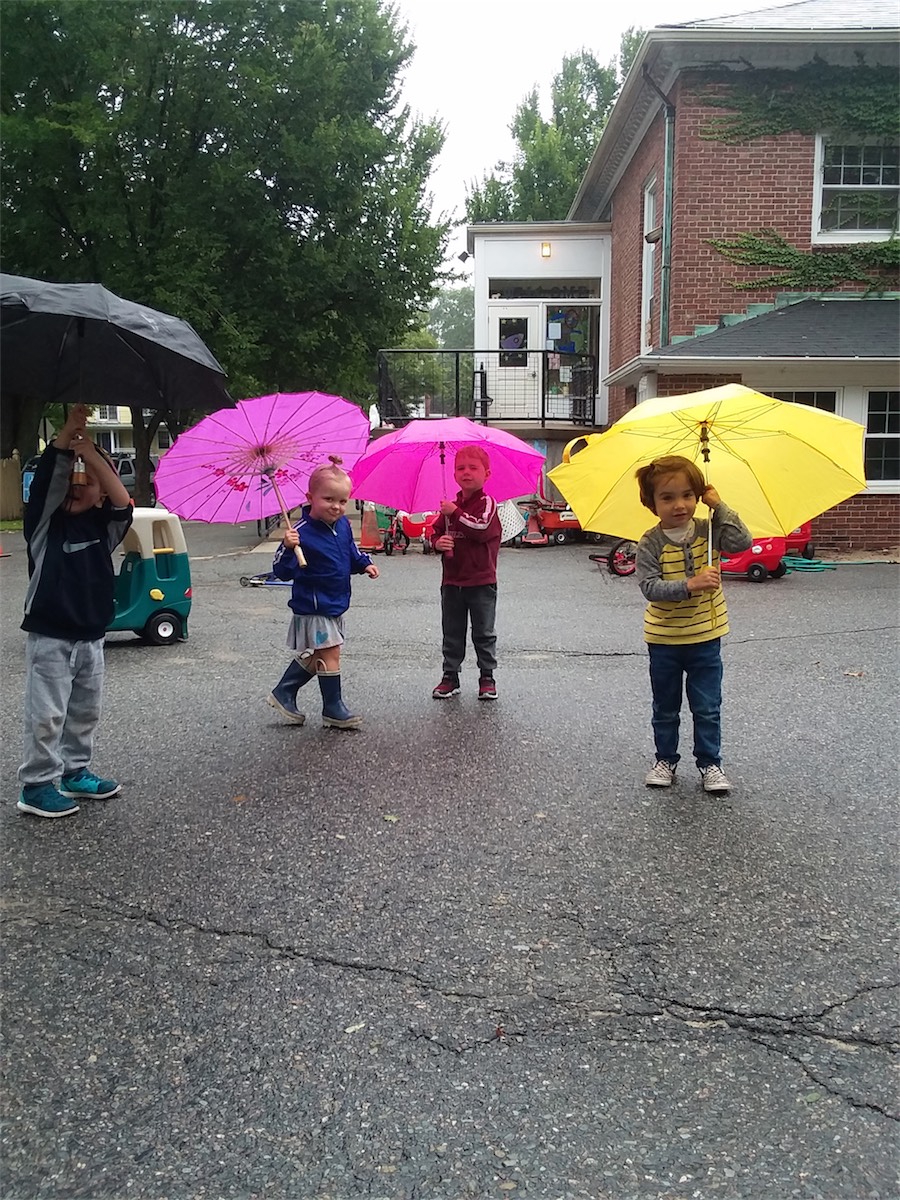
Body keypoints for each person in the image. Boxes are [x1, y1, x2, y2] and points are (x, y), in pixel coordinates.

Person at [17, 404, 133, 818]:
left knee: (84, 711)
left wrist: (93, 456)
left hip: (91, 636)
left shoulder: (105, 528)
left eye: (84, 482)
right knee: (47, 714)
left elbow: (122, 502)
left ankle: (75, 771)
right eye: (69, 479)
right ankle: (36, 784)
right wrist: (67, 437)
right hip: (50, 635)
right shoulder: (44, 527)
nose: (73, 485)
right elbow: (47, 483)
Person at [634, 454, 752, 794]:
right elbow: (650, 587)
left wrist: (719, 506)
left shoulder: (709, 530)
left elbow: (742, 542)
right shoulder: (650, 542)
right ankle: (665, 759)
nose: (680, 505)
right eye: (667, 497)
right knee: (665, 706)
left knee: (707, 706)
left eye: (688, 495)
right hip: (665, 640)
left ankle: (710, 763)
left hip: (705, 637)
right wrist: (691, 584)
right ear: (652, 503)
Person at [268, 455, 379, 730]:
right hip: (314, 605)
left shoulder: (342, 526)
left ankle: (284, 691)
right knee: (331, 654)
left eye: (342, 501)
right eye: (328, 499)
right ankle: (333, 708)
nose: (336, 506)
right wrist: (288, 548)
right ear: (310, 498)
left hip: (335, 602)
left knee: (321, 655)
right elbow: (281, 571)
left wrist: (364, 564)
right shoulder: (300, 533)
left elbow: (349, 552)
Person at [429, 445, 502, 701]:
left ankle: (487, 676)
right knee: (452, 631)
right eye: (460, 468)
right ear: (454, 474)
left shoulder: (486, 503)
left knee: (483, 632)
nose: (466, 472)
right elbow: (434, 532)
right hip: (452, 581)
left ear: (486, 474)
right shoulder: (451, 505)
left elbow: (481, 529)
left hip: (481, 581)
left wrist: (456, 513)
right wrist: (438, 543)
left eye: (473, 468)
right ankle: (450, 675)